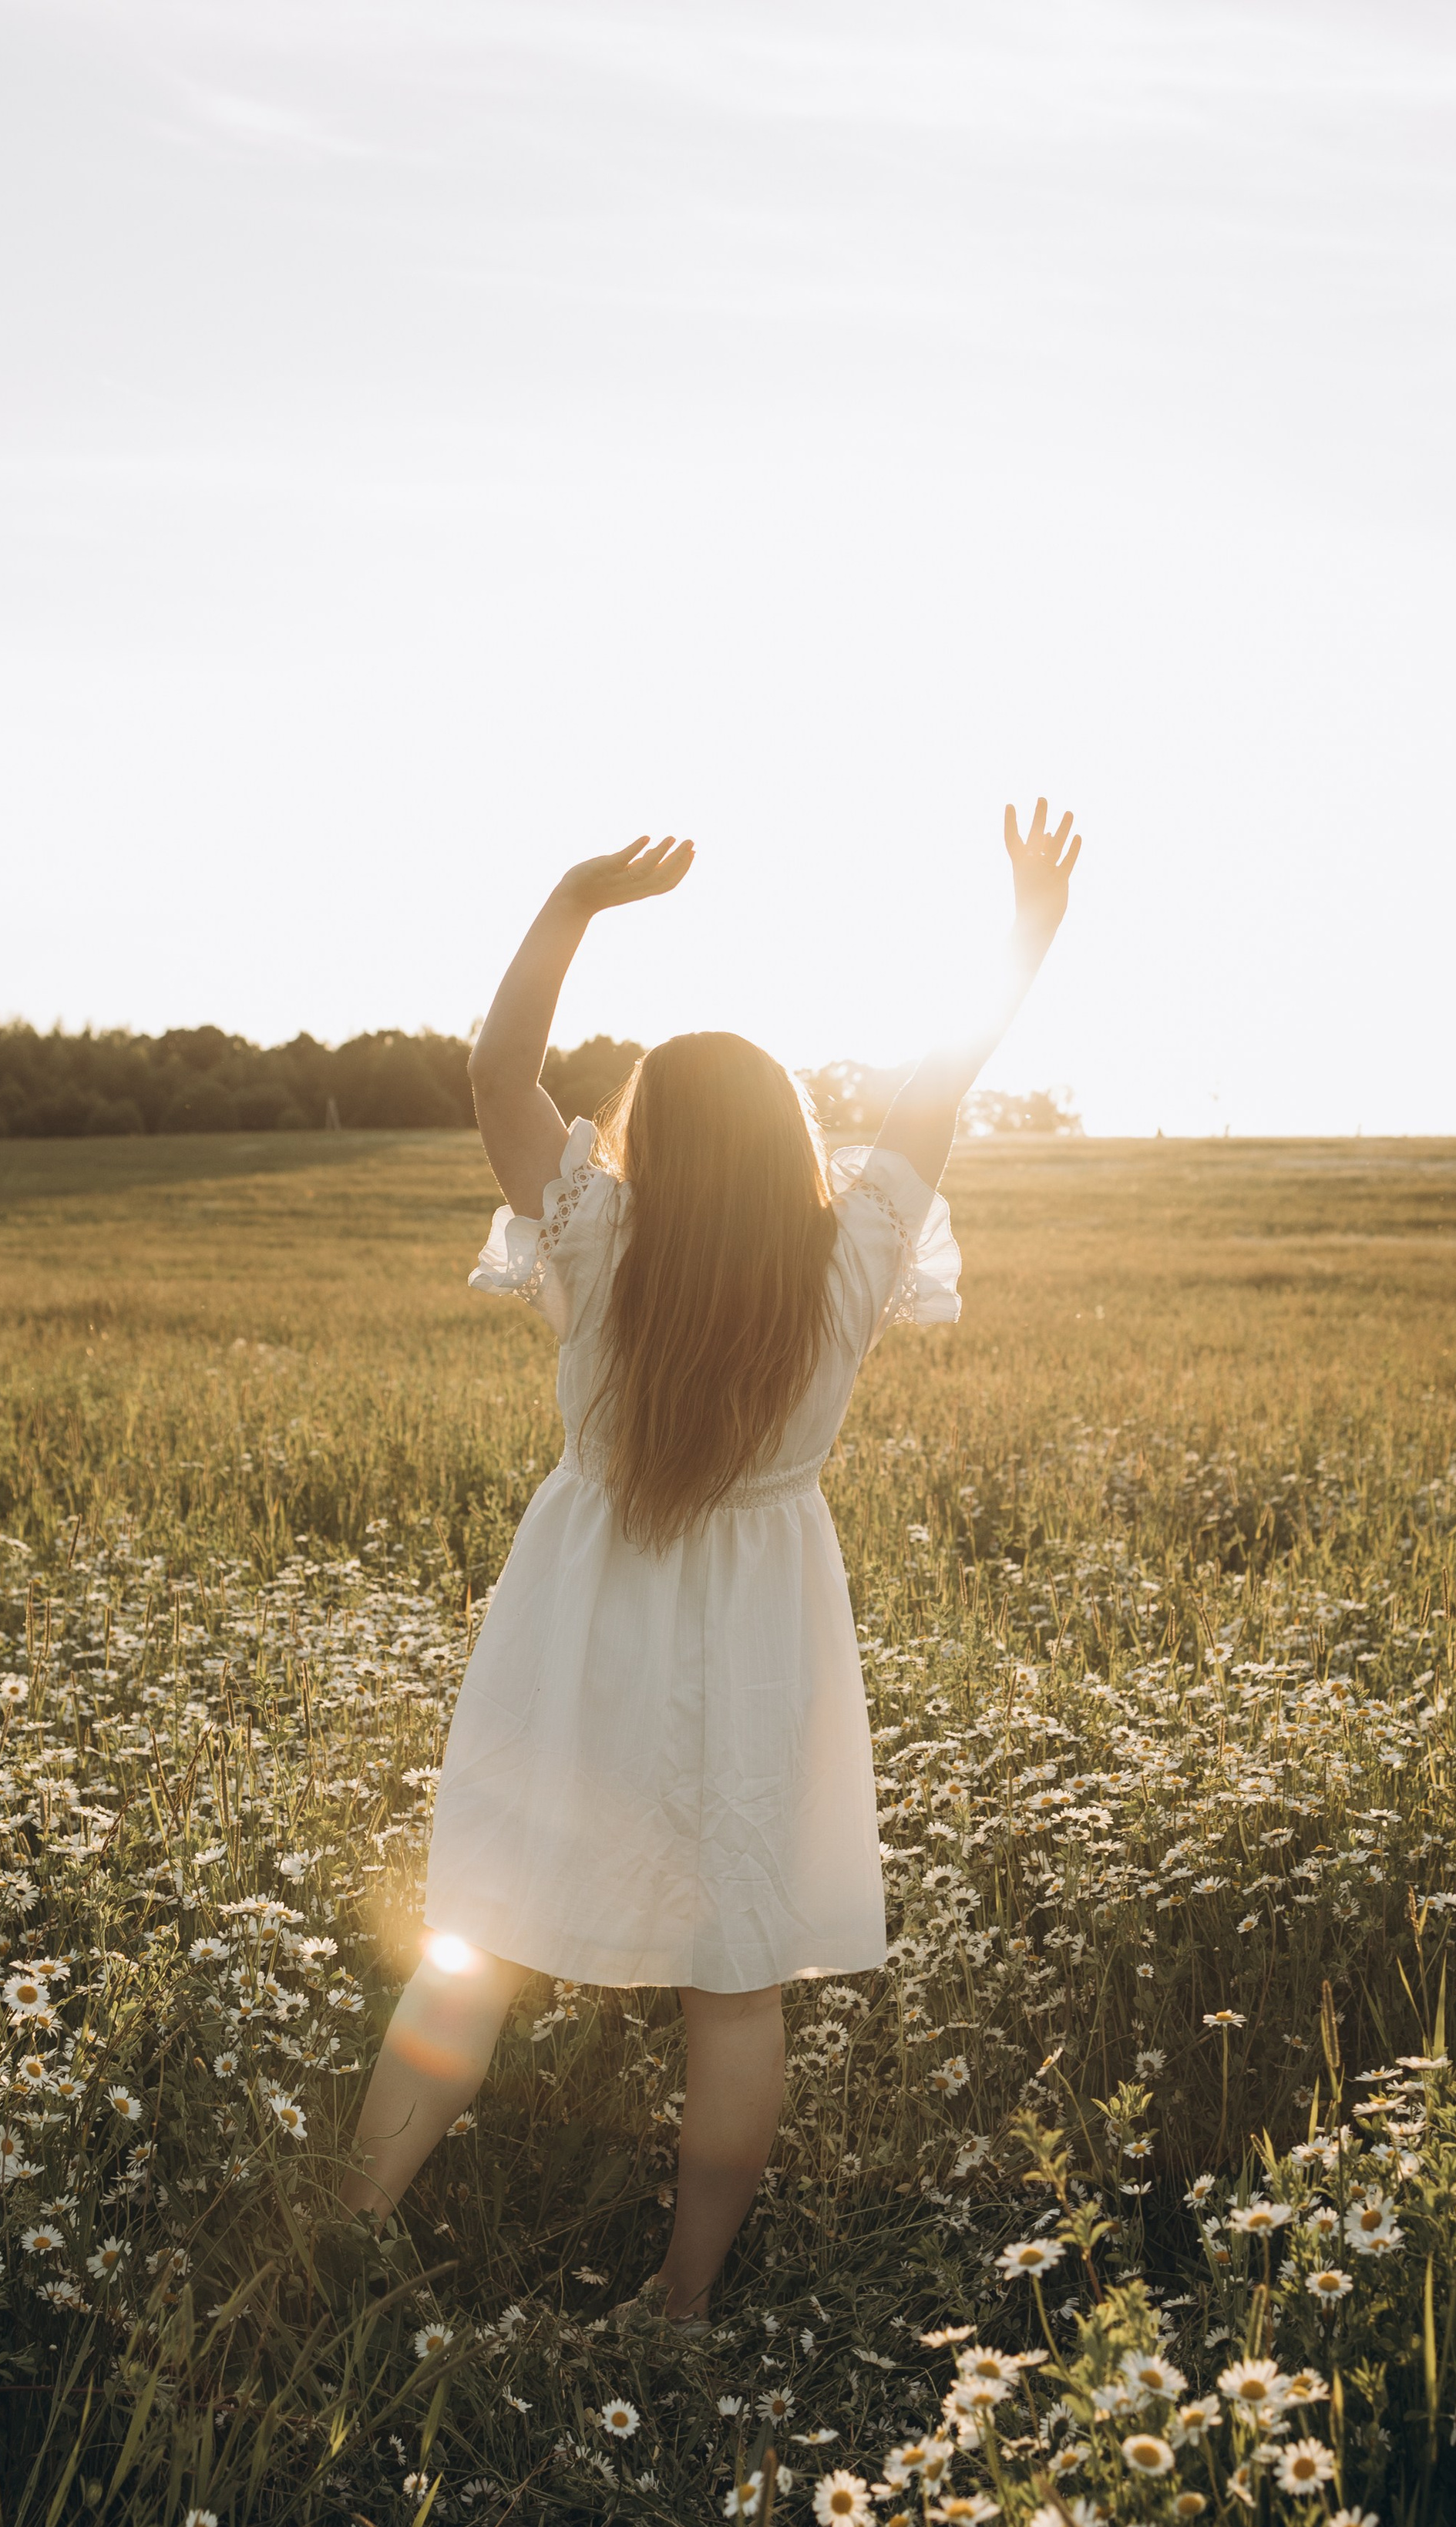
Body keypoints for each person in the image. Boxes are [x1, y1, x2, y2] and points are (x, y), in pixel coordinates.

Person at [338, 799, 1081, 2322]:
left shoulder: (596, 1243)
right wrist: (1021, 932)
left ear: (642, 1142)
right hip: (761, 1646)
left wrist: (570, 901)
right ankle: (679, 2307)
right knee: (731, 1980)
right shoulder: (852, 1256)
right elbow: (939, 1087)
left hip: (577, 1633)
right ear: (790, 1147)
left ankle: (346, 2229)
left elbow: (494, 1072)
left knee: (473, 1942)